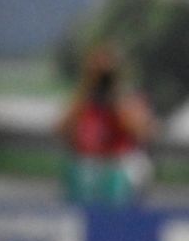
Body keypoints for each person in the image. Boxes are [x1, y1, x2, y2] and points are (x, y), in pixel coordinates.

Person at [57, 44, 156, 206]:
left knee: (129, 171)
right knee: (81, 172)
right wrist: (87, 88)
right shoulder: (83, 99)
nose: (103, 77)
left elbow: (140, 131)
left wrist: (115, 94)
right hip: (88, 164)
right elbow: (61, 128)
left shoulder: (128, 97)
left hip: (119, 163)